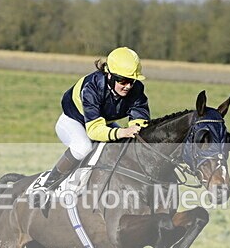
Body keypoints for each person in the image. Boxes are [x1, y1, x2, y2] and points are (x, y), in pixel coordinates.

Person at [37, 47, 150, 196]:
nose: (128, 86)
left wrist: (136, 128)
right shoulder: (92, 87)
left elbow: (140, 119)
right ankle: (46, 185)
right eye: (123, 80)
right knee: (83, 147)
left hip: (102, 123)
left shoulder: (136, 89)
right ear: (109, 75)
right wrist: (122, 132)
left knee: (121, 149)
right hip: (74, 121)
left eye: (132, 81)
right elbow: (94, 131)